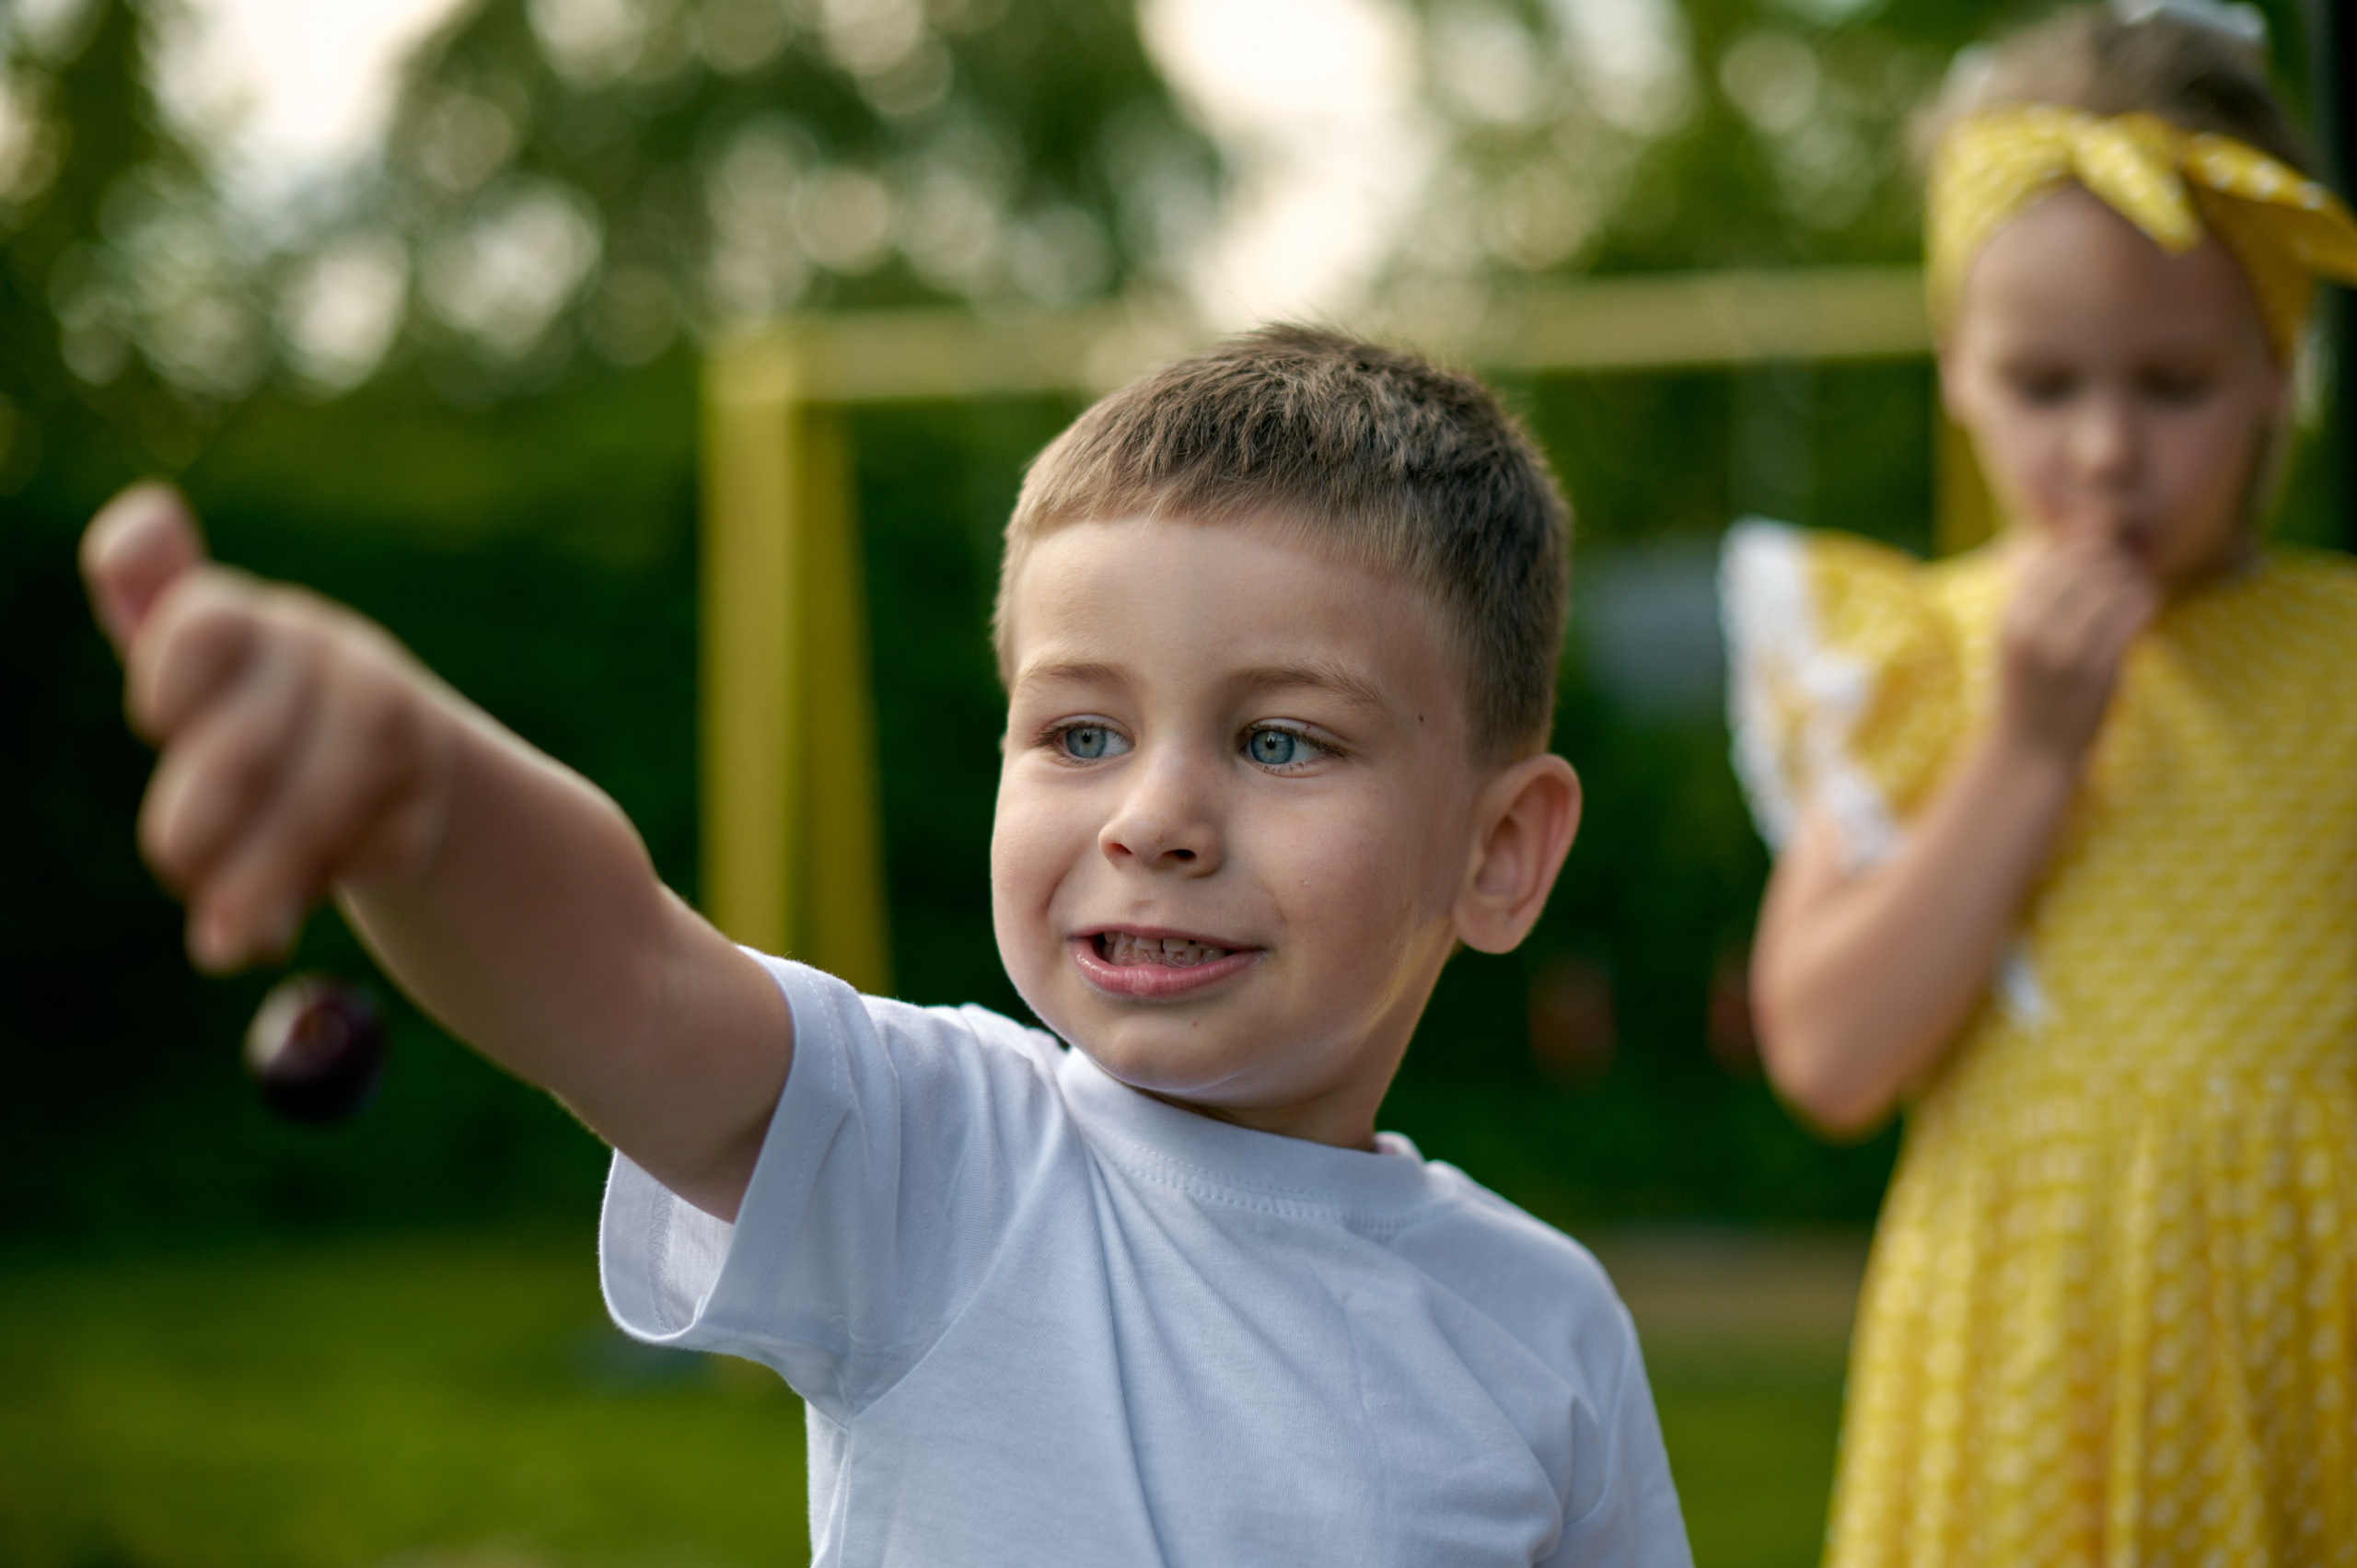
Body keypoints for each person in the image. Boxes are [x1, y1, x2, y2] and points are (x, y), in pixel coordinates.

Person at [80, 327, 1692, 1567]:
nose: (1155, 818)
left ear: (1499, 853)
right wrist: (424, 798)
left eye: (1279, 743)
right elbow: (628, 973)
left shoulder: (1547, 1333)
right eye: (1079, 732)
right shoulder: (943, 1158)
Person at [1721, 3, 2357, 1562]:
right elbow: (1832, 1052)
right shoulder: (1921, 663)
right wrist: (2025, 751)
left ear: (2278, 369)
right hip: (2028, 1370)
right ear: (1958, 371)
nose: (2105, 452)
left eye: (2174, 383)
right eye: (2046, 385)